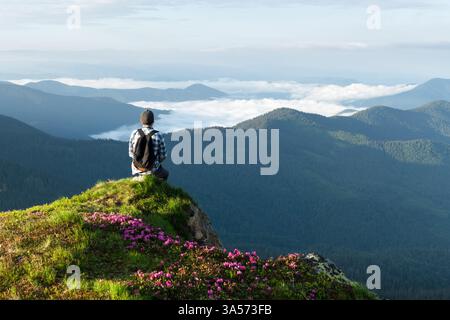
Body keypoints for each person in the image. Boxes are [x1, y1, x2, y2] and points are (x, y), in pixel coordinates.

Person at [129, 110, 169, 180]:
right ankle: (156, 188)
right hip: (153, 168)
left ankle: (140, 179)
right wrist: (153, 161)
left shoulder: (134, 133)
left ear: (141, 121)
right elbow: (163, 156)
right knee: (165, 174)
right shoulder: (158, 135)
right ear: (153, 121)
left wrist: (140, 161)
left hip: (137, 167)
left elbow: (131, 153)